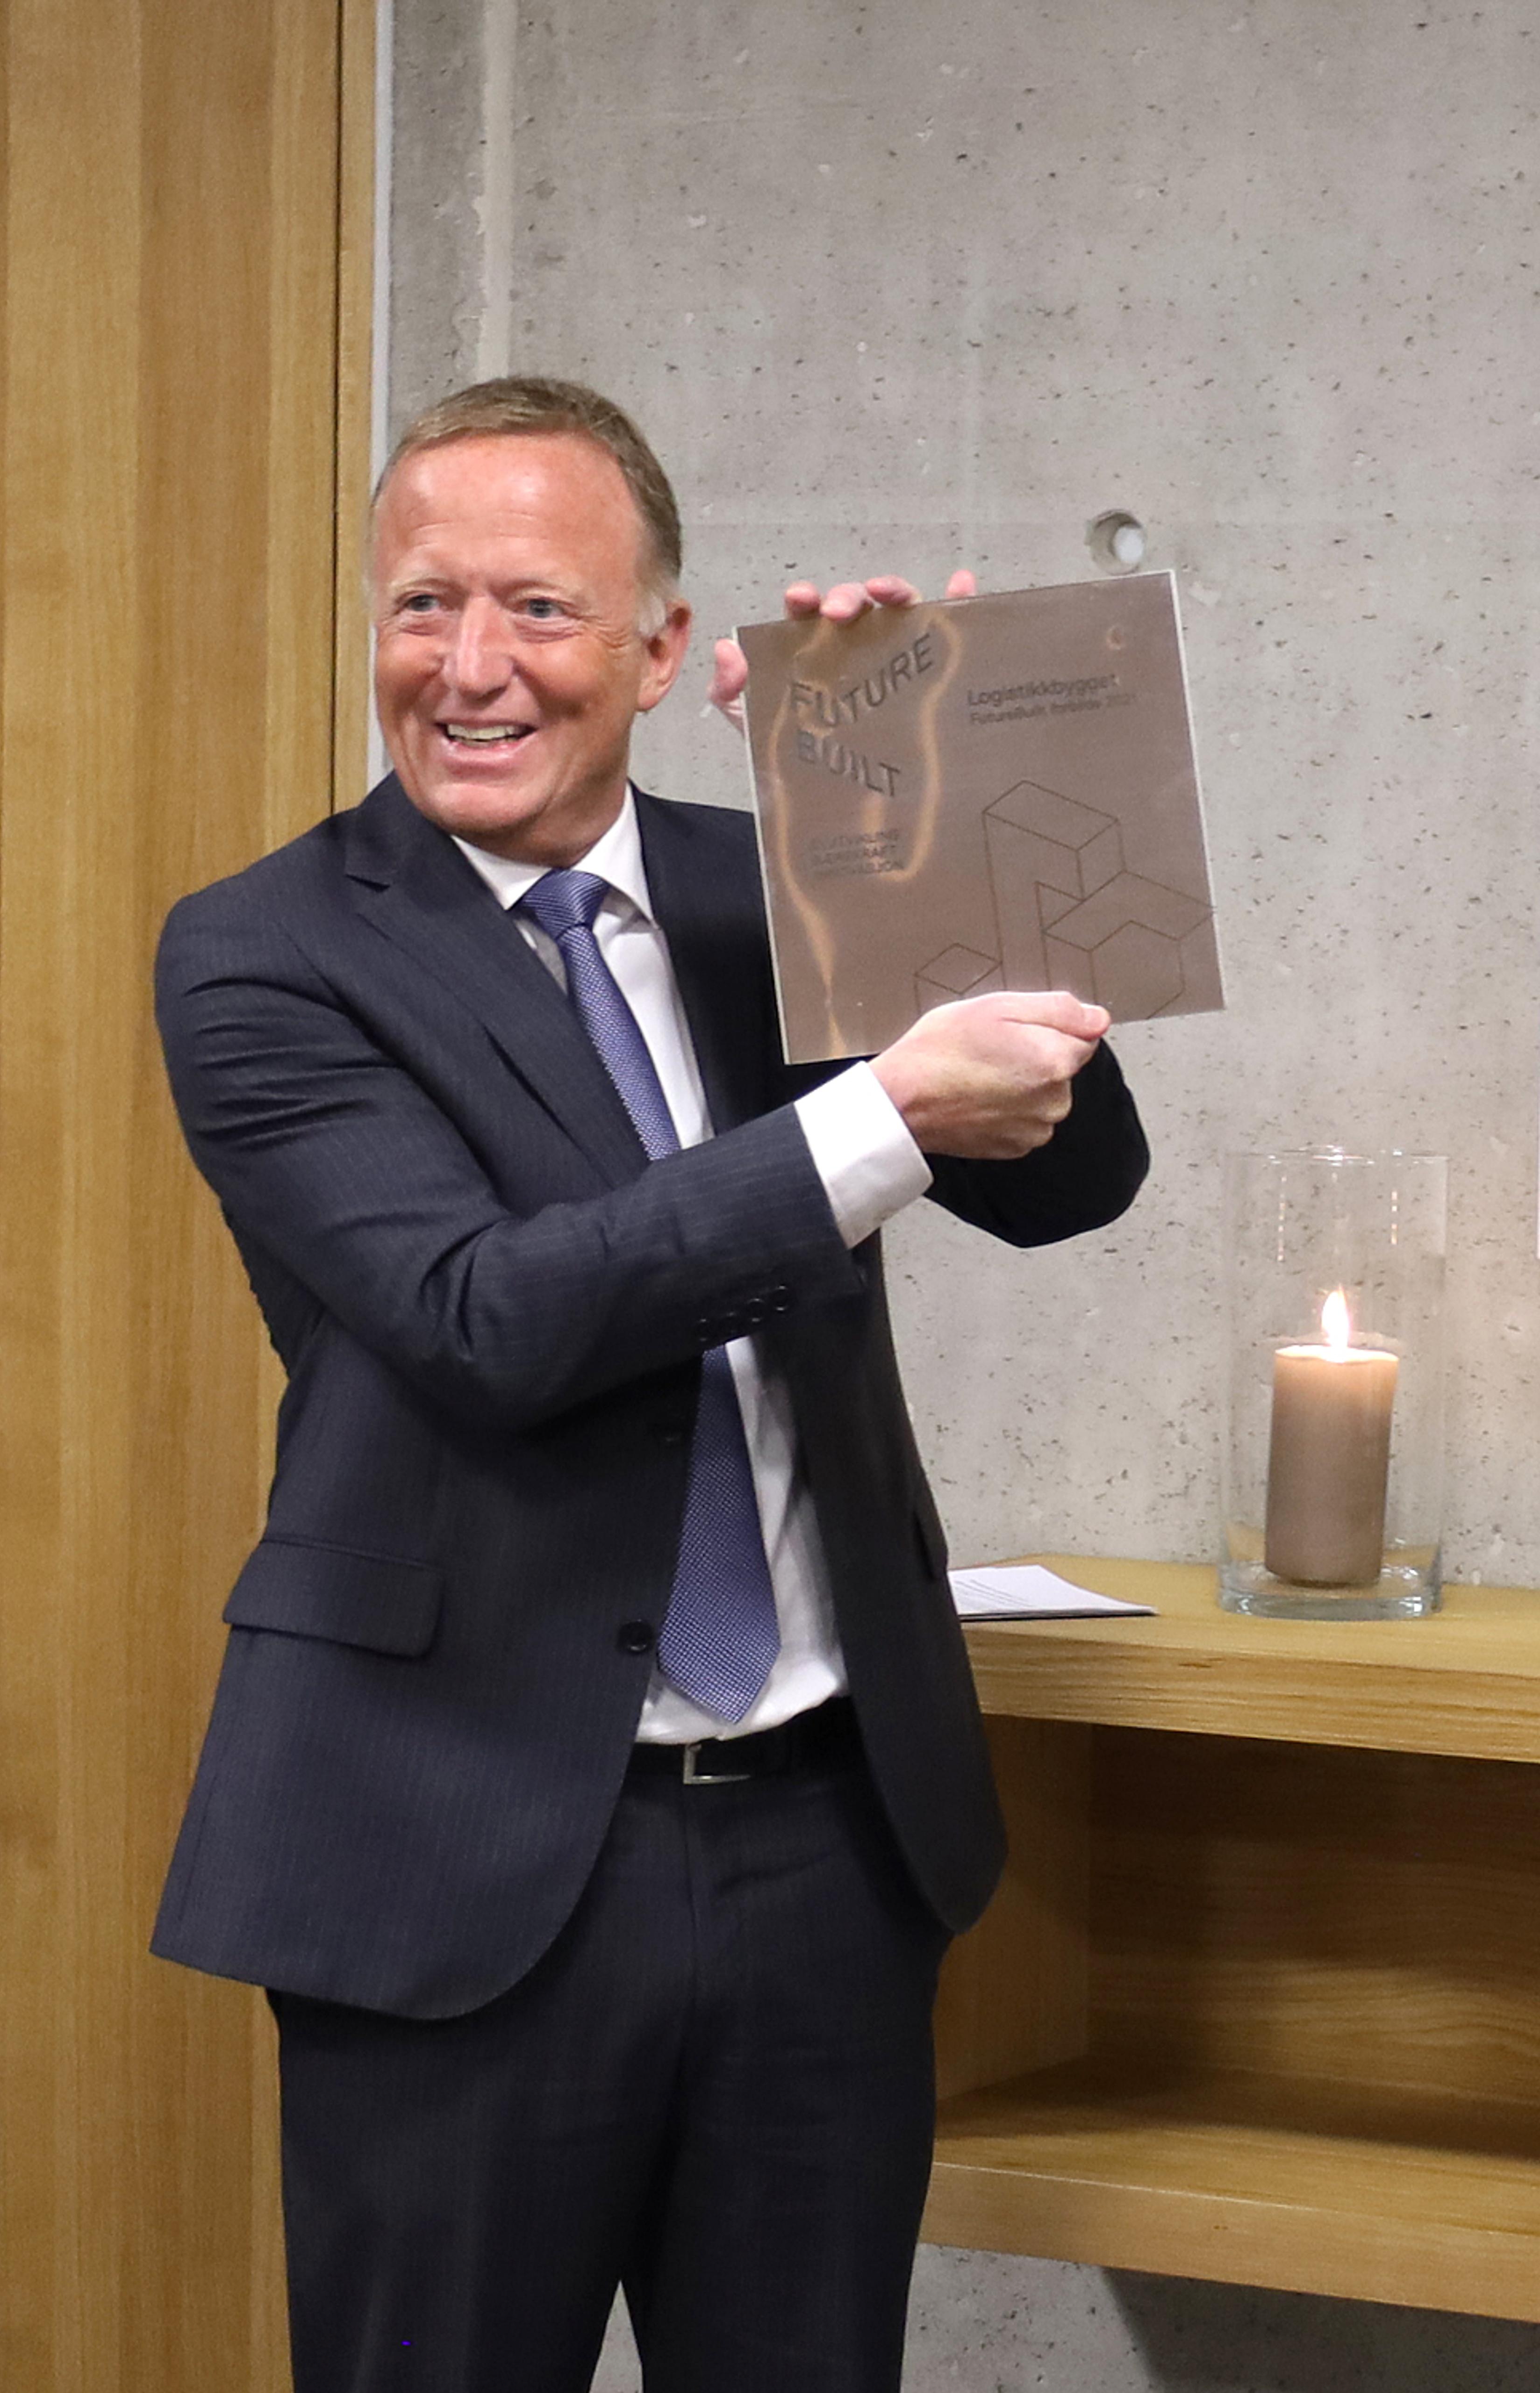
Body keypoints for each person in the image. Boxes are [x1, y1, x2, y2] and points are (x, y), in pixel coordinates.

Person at [151, 376, 1148, 2393]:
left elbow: (1072, 1186)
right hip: (458, 1856)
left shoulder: (779, 884)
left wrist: (932, 837)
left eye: (538, 606)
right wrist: (876, 1114)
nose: (470, 667)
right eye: (423, 604)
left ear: (664, 646)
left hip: (829, 1849)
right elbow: (487, 1315)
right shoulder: (264, 951)